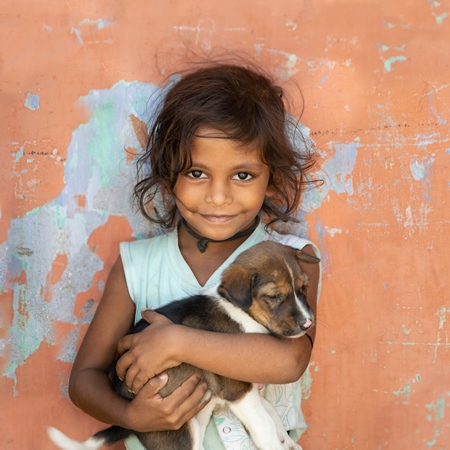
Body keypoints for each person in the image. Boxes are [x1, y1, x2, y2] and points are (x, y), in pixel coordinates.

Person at [68, 62, 321, 450]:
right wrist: (130, 416)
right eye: (197, 173)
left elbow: (289, 361)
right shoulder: (138, 267)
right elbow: (85, 379)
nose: (218, 197)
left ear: (273, 179)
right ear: (168, 177)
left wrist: (175, 343)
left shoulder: (290, 261)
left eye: (242, 175)